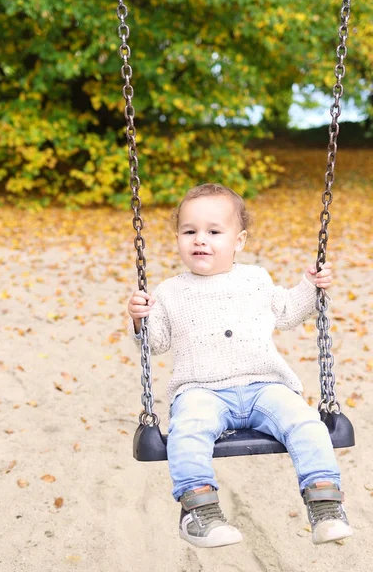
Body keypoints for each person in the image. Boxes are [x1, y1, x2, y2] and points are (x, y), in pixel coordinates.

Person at [128, 183, 353, 548]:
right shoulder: (168, 292)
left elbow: (288, 312)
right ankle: (199, 512)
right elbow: (155, 343)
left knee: (305, 421)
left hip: (266, 385)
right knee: (188, 429)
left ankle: (325, 504)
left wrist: (311, 287)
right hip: (201, 390)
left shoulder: (256, 279)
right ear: (178, 238)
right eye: (189, 231)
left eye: (214, 232)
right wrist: (140, 320)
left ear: (239, 240)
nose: (200, 239)